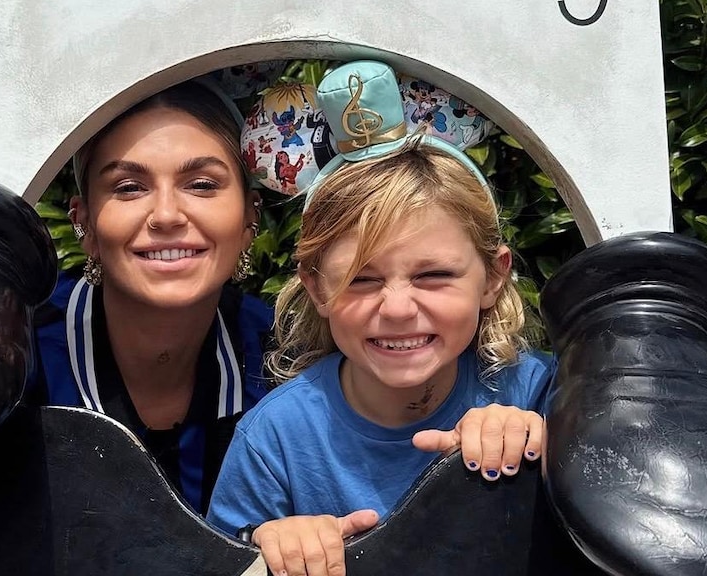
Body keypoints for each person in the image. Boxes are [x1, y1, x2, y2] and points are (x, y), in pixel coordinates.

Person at [207, 61, 552, 576]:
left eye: (433, 275)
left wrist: (552, 448)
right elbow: (222, 559)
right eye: (361, 280)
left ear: (493, 276)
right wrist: (270, 549)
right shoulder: (274, 440)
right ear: (317, 287)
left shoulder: (543, 394)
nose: (397, 308)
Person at [31, 79, 273, 515]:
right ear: (84, 223)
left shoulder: (282, 359)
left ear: (249, 218)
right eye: (129, 187)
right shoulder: (16, 357)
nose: (166, 216)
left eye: (202, 184)